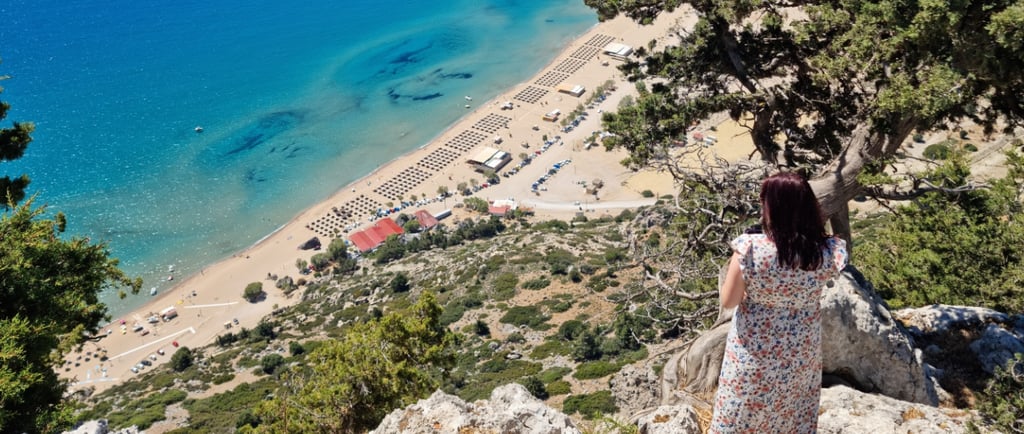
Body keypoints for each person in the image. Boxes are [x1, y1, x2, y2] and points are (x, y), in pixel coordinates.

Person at [709, 172, 848, 433]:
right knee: (792, 412)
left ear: (771, 205)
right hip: (800, 349)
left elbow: (729, 301)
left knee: (742, 410)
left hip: (753, 347)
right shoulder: (827, 251)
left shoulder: (750, 248)